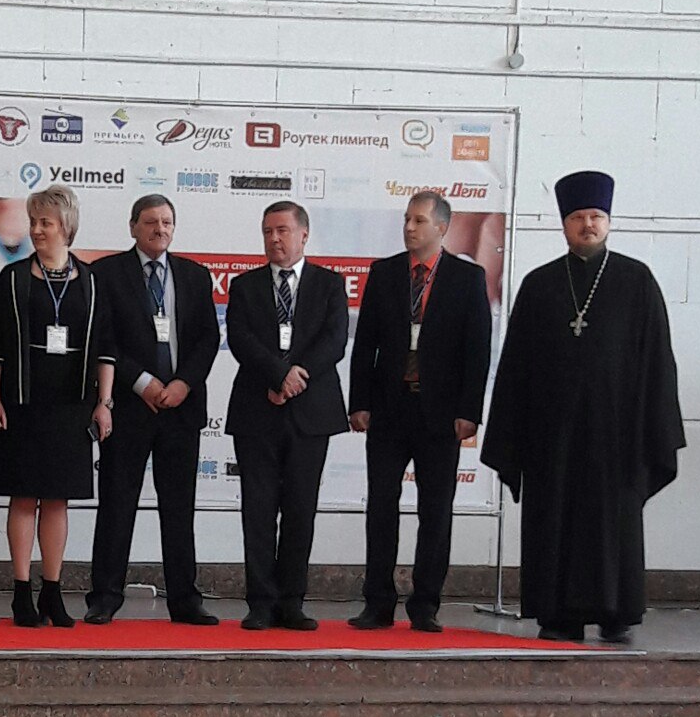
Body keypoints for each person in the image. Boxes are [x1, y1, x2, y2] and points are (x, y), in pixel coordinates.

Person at [481, 168, 684, 644]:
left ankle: (616, 613)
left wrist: (654, 431)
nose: (588, 225)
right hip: (552, 437)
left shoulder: (637, 281)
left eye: (596, 216)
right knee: (555, 521)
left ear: (608, 221)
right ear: (564, 224)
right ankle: (558, 616)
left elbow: (658, 362)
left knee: (613, 524)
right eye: (578, 217)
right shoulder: (539, 284)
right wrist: (512, 437)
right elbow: (516, 368)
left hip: (617, 436)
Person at [347, 191, 492, 635]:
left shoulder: (468, 278)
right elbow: (364, 344)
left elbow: (478, 350)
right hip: (389, 410)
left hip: (440, 415)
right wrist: (359, 402)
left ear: (442, 228)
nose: (409, 228)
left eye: (419, 221)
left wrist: (469, 411)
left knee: (436, 511)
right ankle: (377, 602)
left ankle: (425, 604)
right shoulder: (384, 272)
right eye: (407, 219)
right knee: (380, 507)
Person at [0, 185, 115, 627]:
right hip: (22, 402)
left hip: (72, 404)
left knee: (58, 500)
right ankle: (21, 592)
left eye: (46, 223)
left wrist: (104, 403)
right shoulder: (13, 278)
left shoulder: (92, 281)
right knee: (23, 496)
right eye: (34, 221)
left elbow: (106, 350)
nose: (37, 230)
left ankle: (53, 593)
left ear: (66, 227)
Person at [84, 195, 220, 627]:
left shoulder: (195, 275)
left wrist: (183, 384)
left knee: (179, 507)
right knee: (116, 504)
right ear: (133, 227)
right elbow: (102, 339)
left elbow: (208, 339)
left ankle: (185, 599)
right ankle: (105, 597)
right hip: (128, 405)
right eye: (150, 222)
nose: (159, 229)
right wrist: (142, 381)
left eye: (166, 222)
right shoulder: (106, 273)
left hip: (181, 408)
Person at [225, 200, 349, 631]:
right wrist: (278, 376)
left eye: (282, 230)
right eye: (267, 231)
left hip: (311, 412)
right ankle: (260, 602)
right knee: (258, 510)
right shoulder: (245, 286)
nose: (274, 239)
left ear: (304, 234)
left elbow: (335, 340)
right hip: (257, 410)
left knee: (300, 509)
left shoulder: (330, 284)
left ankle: (291, 601)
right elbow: (240, 339)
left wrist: (297, 377)